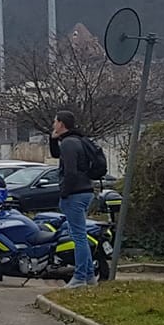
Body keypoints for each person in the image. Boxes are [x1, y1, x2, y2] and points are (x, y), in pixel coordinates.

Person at [52, 110, 99, 286]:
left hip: (75, 194)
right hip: (85, 191)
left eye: (55, 122)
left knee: (78, 237)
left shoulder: (69, 143)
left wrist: (64, 192)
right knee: (80, 235)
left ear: (61, 124)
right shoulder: (77, 140)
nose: (53, 125)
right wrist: (53, 138)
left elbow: (70, 171)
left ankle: (80, 277)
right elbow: (57, 155)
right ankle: (89, 276)